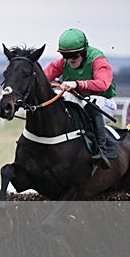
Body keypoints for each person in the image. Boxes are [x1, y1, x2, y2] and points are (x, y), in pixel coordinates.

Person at [43, 28, 117, 169]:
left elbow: (103, 84)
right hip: (80, 99)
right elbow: (43, 77)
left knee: (91, 103)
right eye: (65, 55)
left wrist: (77, 84)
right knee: (60, 100)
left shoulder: (97, 60)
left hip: (104, 103)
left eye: (74, 55)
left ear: (84, 51)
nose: (70, 59)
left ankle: (101, 151)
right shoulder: (63, 62)